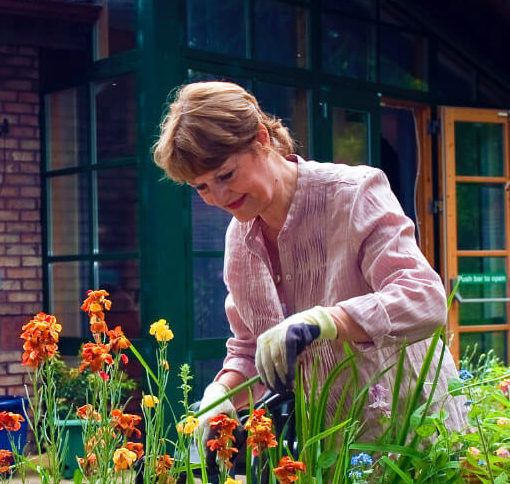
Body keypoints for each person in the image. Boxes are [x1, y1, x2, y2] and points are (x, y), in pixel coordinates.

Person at [151, 81, 467, 457]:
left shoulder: (352, 194)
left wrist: (327, 319)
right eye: (201, 187)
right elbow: (254, 347)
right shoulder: (240, 240)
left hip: (414, 436)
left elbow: (426, 298)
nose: (218, 198)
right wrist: (221, 393)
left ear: (261, 139)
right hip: (331, 453)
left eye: (226, 175)